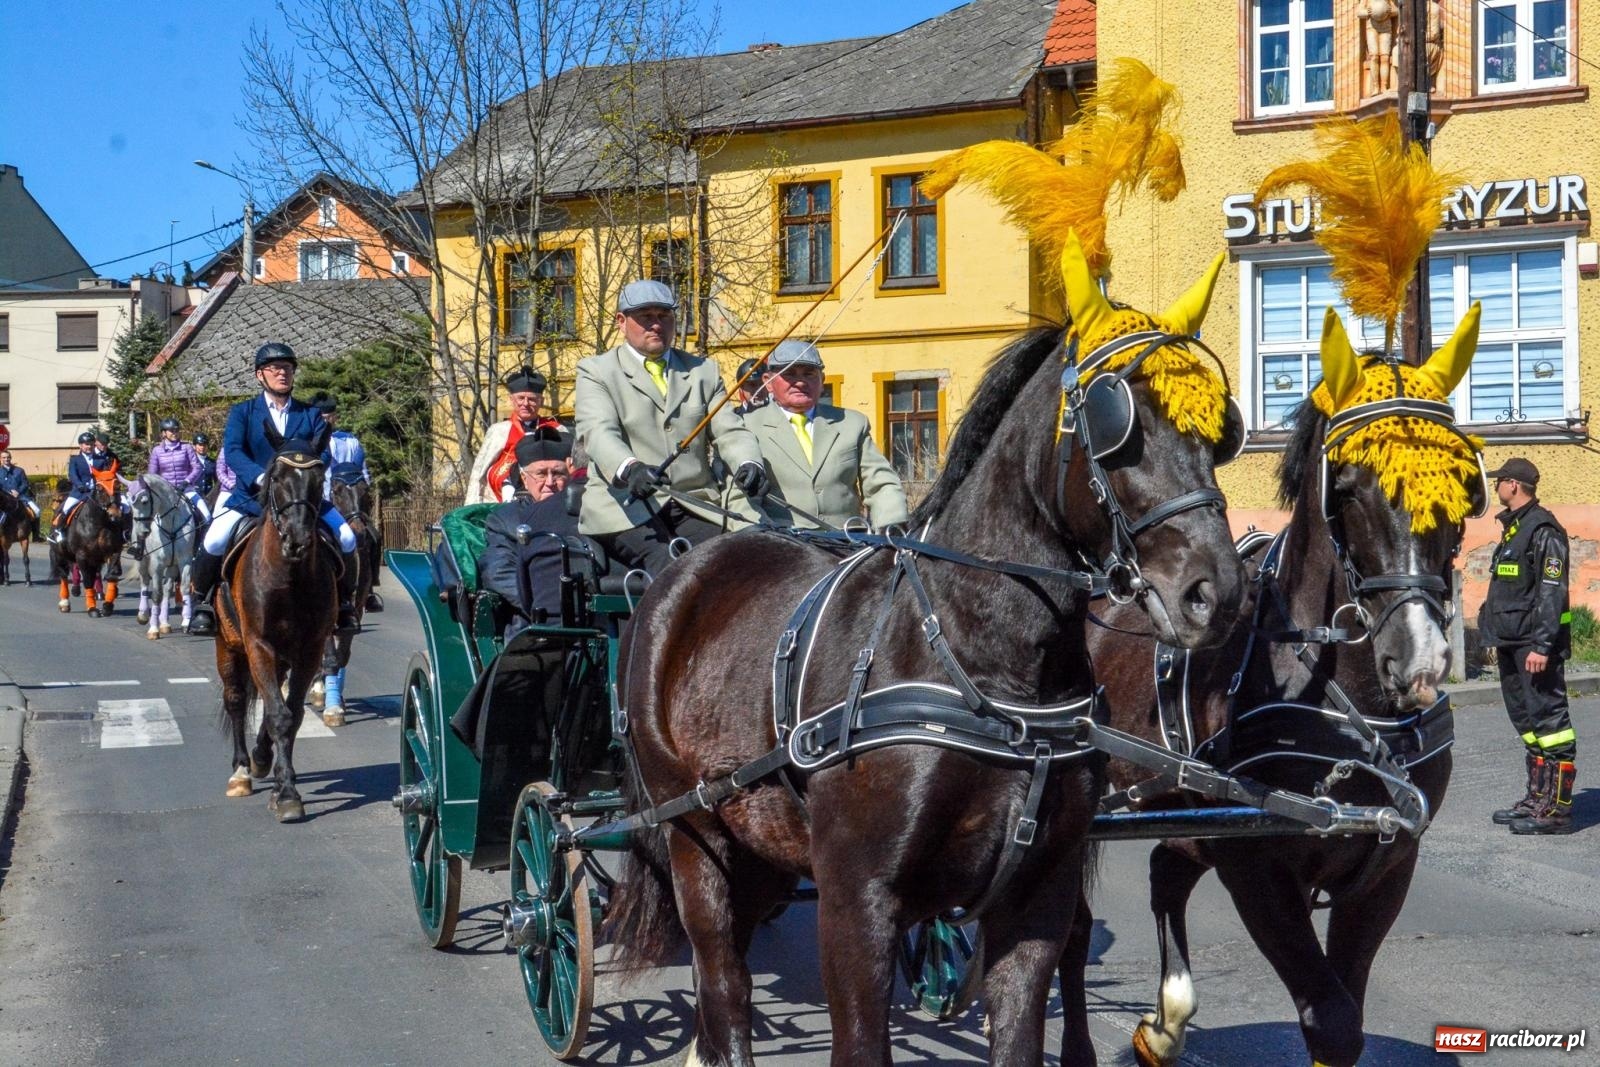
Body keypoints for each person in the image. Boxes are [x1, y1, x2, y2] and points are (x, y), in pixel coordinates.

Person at [574, 279, 767, 574]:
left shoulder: (703, 371)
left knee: (733, 562)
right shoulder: (596, 371)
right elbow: (598, 432)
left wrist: (749, 462)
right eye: (645, 317)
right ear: (621, 322)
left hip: (693, 503)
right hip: (623, 506)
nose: (656, 325)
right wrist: (630, 468)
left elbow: (730, 430)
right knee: (669, 568)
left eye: (664, 316)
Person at [188, 342, 361, 638]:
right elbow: (232, 451)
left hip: (301, 499)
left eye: (288, 368)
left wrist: (310, 476)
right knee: (215, 540)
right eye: (275, 368)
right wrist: (259, 477)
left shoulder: (309, 415)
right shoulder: (243, 412)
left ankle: (344, 604)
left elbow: (323, 452)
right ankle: (202, 603)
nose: (283, 373)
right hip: (251, 497)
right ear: (260, 375)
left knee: (345, 537)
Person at [1480, 457, 1577, 835]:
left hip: (1535, 648)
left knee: (1551, 724)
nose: (1496, 487)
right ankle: (1537, 797)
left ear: (1514, 485)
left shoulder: (1544, 529)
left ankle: (1557, 810)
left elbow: (1552, 593)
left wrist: (1542, 645)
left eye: (1500, 481)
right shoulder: (1515, 528)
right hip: (1511, 641)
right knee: (1528, 724)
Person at [743, 340, 909, 531]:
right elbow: (739, 496)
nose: (800, 382)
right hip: (780, 543)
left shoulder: (852, 423)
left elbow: (880, 482)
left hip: (846, 542)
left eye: (809, 374)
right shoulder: (746, 427)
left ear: (822, 380)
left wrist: (892, 525)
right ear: (768, 382)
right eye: (789, 374)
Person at [478, 431, 583, 625]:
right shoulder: (505, 520)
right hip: (533, 619)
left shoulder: (584, 512)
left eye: (558, 473)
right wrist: (546, 606)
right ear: (525, 479)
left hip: (588, 611)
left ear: (570, 474)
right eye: (541, 474)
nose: (550, 483)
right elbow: (498, 573)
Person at [313, 393, 383, 610]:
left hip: (349, 501)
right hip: (322, 500)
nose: (327, 421)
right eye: (322, 417)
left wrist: (362, 490)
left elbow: (363, 471)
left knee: (373, 536)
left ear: (335, 417)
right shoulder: (312, 442)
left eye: (330, 417)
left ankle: (370, 588)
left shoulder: (350, 441)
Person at [465, 366, 566, 505]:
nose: (525, 403)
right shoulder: (498, 431)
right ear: (512, 400)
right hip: (498, 502)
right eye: (521, 398)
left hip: (549, 501)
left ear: (541, 402)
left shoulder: (557, 430)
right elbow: (479, 474)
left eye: (531, 399)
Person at [142, 417, 210, 538]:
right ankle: (141, 547)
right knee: (146, 517)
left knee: (207, 516)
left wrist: (187, 481)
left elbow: (197, 468)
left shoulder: (187, 447)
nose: (175, 433)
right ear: (164, 433)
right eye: (171, 430)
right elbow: (152, 475)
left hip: (187, 491)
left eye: (176, 430)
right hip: (165, 494)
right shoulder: (157, 451)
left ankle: (201, 549)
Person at [48, 431, 99, 542]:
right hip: (80, 492)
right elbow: (73, 474)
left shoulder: (100, 459)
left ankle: (123, 533)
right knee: (66, 508)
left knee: (114, 509)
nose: (89, 446)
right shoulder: (75, 459)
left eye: (91, 444)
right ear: (81, 445)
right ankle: (58, 531)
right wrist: (80, 485)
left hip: (97, 492)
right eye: (86, 444)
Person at [0, 449, 41, 539]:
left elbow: (25, 483)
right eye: (4, 458)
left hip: (21, 497)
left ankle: (36, 535)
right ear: (0, 459)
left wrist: (18, 492)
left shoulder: (19, 471)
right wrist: (7, 493)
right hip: (4, 500)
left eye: (8, 457)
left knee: (37, 511)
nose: (6, 459)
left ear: (11, 458)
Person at [193, 432, 219, 502]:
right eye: (200, 445)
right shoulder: (190, 462)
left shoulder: (212, 462)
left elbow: (217, 481)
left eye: (204, 445)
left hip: (209, 496)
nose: (202, 447)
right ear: (194, 446)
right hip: (194, 495)